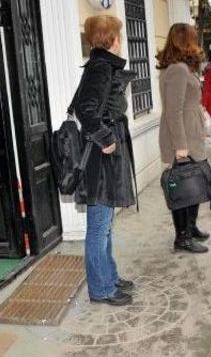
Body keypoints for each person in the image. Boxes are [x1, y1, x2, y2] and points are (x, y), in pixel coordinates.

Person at [75, 15, 136, 306]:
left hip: (105, 161)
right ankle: (101, 289)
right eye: (119, 36)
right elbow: (85, 109)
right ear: (112, 39)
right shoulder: (101, 68)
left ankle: (108, 277)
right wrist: (107, 139)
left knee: (106, 224)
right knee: (99, 226)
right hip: (99, 163)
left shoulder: (101, 66)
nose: (120, 41)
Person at [158, 23, 209, 254]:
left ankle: (191, 226)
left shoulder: (182, 68)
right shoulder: (177, 70)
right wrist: (180, 146)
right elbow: (173, 110)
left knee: (193, 183)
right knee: (183, 186)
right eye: (192, 38)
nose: (196, 43)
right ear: (184, 41)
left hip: (191, 134)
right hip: (183, 137)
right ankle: (182, 238)